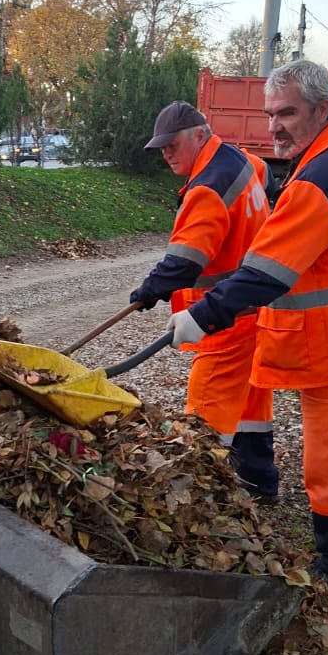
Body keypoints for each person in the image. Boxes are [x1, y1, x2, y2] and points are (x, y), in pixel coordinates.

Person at [167, 61, 328, 591]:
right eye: (270, 114)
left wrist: (201, 316)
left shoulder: (316, 183)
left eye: (288, 113)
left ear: (322, 110)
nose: (275, 126)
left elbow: (265, 272)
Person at [129, 100, 280, 499]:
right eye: (161, 147)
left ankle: (197, 498)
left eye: (172, 144)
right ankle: (259, 484)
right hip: (254, 308)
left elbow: (183, 262)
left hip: (221, 316)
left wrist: (149, 290)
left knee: (206, 407)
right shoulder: (242, 162)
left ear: (200, 135)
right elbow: (267, 179)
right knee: (249, 404)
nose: (166, 153)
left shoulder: (207, 189)